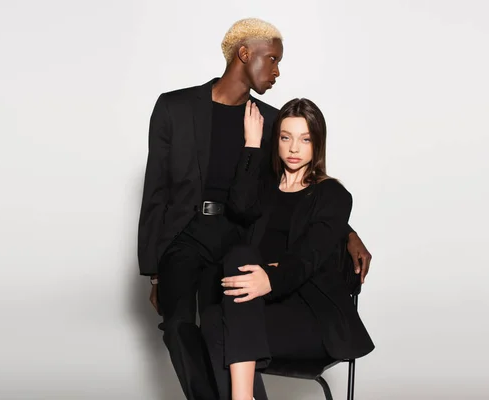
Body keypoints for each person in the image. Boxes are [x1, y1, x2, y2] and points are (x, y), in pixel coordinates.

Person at [137, 18, 371, 400]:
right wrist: (154, 273)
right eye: (273, 60)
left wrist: (349, 233)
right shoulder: (173, 107)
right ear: (245, 54)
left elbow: (301, 191)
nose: (278, 71)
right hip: (184, 234)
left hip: (236, 237)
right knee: (178, 325)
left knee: (222, 326)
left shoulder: (273, 120)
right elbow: (155, 191)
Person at [200, 98, 375, 400]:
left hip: (311, 318)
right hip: (260, 308)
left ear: (317, 144)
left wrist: (270, 277)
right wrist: (252, 144)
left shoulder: (333, 195)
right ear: (277, 141)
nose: (294, 149)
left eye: (305, 139)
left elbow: (308, 258)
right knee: (215, 318)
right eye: (285, 137)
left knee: (221, 324)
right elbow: (239, 206)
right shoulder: (266, 189)